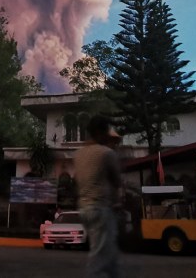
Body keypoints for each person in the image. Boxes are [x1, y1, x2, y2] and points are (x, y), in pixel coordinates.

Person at [74, 115, 122, 278]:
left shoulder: (78, 154)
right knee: (99, 260)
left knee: (109, 254)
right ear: (102, 133)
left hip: (85, 208)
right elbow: (117, 181)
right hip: (100, 209)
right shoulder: (106, 153)